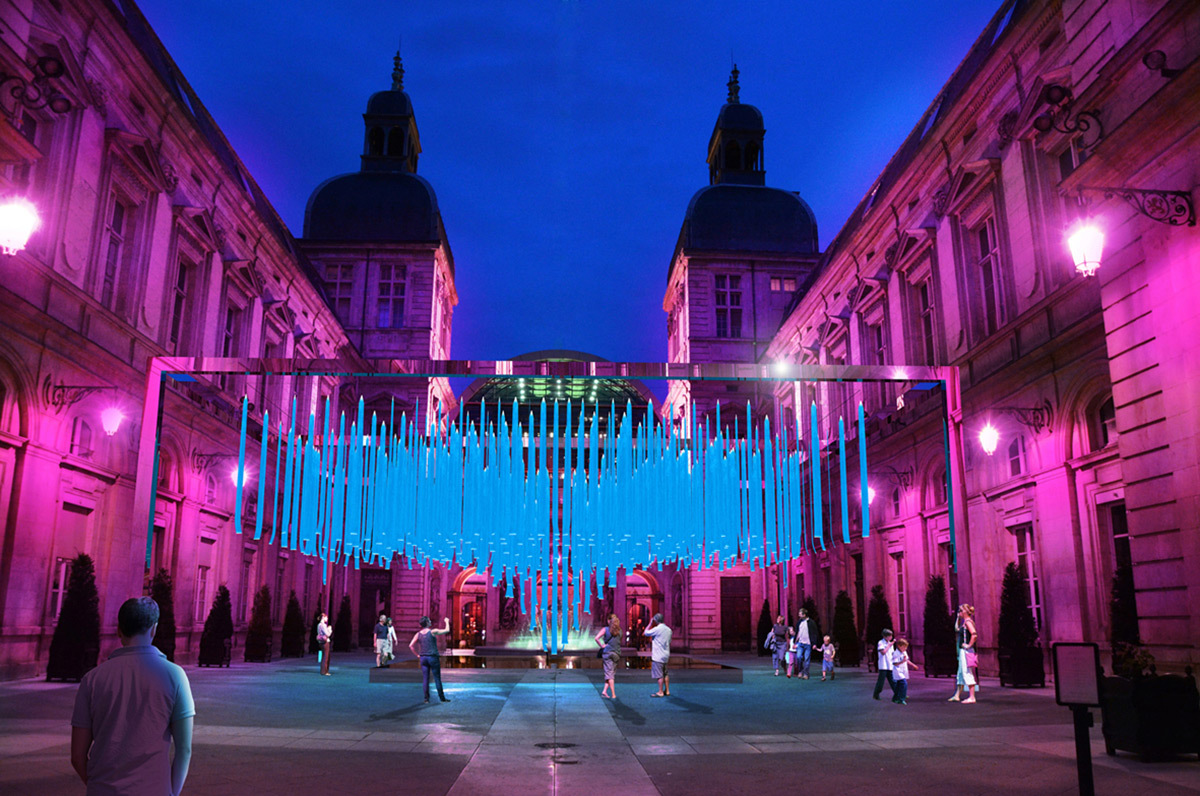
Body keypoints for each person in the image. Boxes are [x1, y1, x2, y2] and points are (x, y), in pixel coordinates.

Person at [70, 597, 194, 796]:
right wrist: (171, 792)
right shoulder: (175, 675)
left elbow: (77, 756)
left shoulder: (92, 679)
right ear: (154, 629)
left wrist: (97, 785)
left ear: (119, 630)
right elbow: (184, 749)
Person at [409, 616, 451, 703]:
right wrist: (447, 621)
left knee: (425, 679)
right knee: (437, 678)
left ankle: (426, 699)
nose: (430, 620)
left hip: (423, 658)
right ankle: (442, 698)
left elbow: (411, 645)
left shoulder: (418, 634)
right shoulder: (433, 631)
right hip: (433, 657)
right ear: (427, 623)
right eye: (429, 620)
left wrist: (417, 655)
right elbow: (447, 630)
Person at [950, 604, 978, 704]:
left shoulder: (968, 622)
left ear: (964, 612)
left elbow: (974, 634)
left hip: (966, 651)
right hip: (963, 650)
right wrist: (957, 618)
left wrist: (968, 645)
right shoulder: (964, 622)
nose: (959, 613)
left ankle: (972, 696)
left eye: (960, 611)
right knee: (961, 672)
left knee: (967, 672)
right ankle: (957, 695)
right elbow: (956, 629)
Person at [643, 613, 673, 697]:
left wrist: (650, 623)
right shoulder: (669, 630)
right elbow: (669, 641)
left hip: (658, 655)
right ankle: (667, 690)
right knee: (665, 673)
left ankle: (660, 692)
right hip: (666, 654)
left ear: (655, 620)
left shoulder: (657, 629)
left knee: (659, 674)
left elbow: (645, 632)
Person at [595, 614, 622, 699]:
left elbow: (596, 638)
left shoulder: (605, 629)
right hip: (617, 654)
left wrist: (602, 645)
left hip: (607, 653)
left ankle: (613, 694)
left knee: (609, 674)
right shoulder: (620, 631)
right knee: (610, 673)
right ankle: (604, 691)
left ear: (609, 621)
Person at [891, 638, 920, 705]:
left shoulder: (904, 652)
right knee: (904, 684)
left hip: (903, 670)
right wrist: (902, 661)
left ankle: (895, 698)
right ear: (899, 646)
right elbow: (895, 663)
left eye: (906, 647)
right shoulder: (895, 653)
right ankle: (902, 698)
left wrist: (913, 665)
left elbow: (907, 660)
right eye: (903, 647)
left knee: (899, 685)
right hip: (897, 671)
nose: (905, 648)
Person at [794, 607, 818, 680]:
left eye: (800, 614)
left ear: (804, 615)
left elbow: (814, 633)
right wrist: (795, 642)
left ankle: (806, 674)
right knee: (798, 657)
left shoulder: (811, 622)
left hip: (808, 644)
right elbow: (798, 632)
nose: (799, 615)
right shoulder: (799, 622)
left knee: (807, 659)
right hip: (800, 643)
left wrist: (814, 643)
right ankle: (800, 671)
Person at [872, 629, 895, 700]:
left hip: (890, 665)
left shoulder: (890, 643)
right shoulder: (881, 643)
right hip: (883, 665)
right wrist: (889, 645)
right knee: (881, 681)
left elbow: (892, 654)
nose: (891, 637)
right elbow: (883, 652)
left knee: (893, 681)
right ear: (885, 636)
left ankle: (898, 693)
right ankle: (876, 694)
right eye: (889, 636)